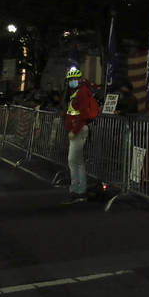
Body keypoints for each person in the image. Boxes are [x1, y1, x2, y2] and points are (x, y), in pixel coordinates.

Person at [63, 66, 100, 204]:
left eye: (73, 79)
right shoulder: (77, 92)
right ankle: (79, 190)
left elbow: (83, 114)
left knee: (73, 161)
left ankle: (77, 190)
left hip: (78, 130)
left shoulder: (82, 92)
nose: (71, 81)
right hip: (77, 130)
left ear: (78, 79)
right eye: (70, 79)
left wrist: (74, 130)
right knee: (77, 162)